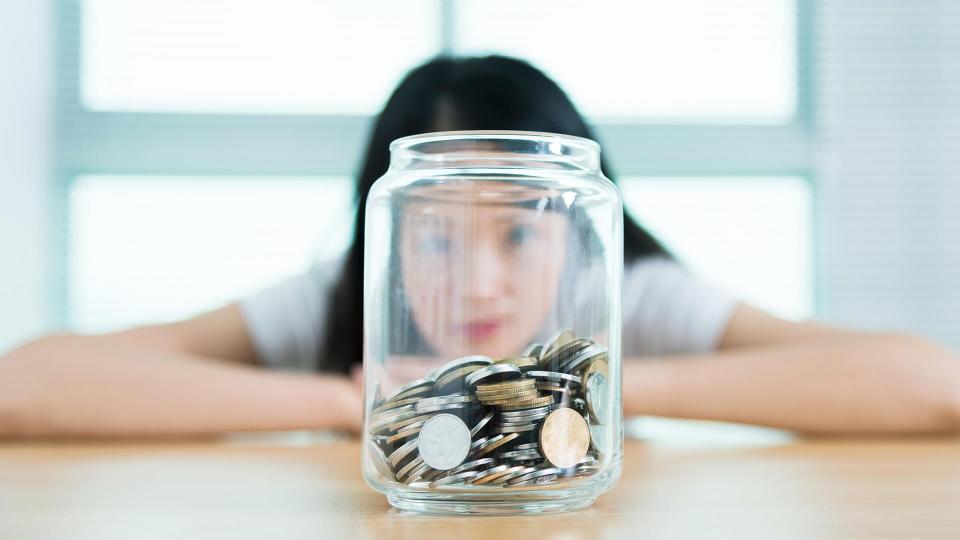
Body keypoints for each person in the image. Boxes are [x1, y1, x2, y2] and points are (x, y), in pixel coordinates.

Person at [2, 56, 958, 437]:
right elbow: (27, 386)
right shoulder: (342, 297)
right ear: (386, 231)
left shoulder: (626, 291)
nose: (480, 279)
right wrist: (357, 399)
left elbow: (930, 384)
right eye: (436, 236)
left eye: (515, 230)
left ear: (581, 227)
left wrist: (594, 390)